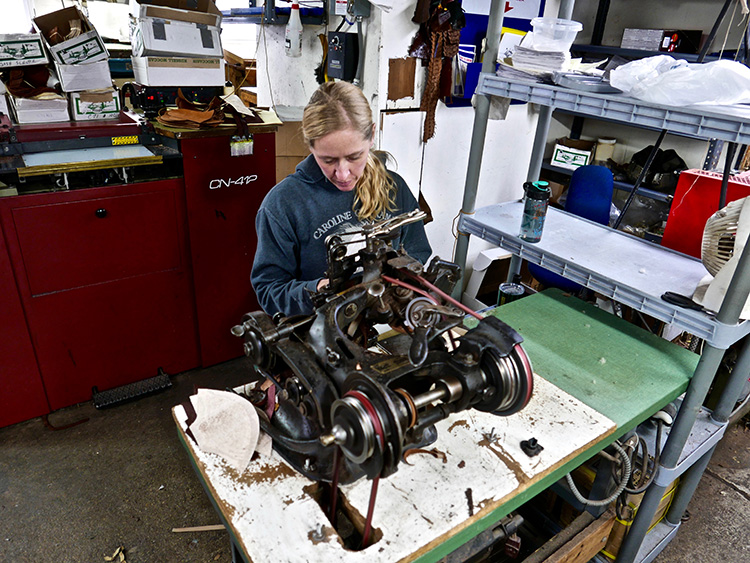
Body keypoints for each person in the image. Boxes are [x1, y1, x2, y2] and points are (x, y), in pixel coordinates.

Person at [251, 82, 432, 317]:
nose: (343, 174)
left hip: (388, 322)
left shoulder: (393, 187)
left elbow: (418, 252)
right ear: (310, 145)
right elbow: (269, 290)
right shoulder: (282, 206)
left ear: (372, 135)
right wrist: (321, 291)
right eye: (328, 160)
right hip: (321, 331)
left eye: (354, 156)